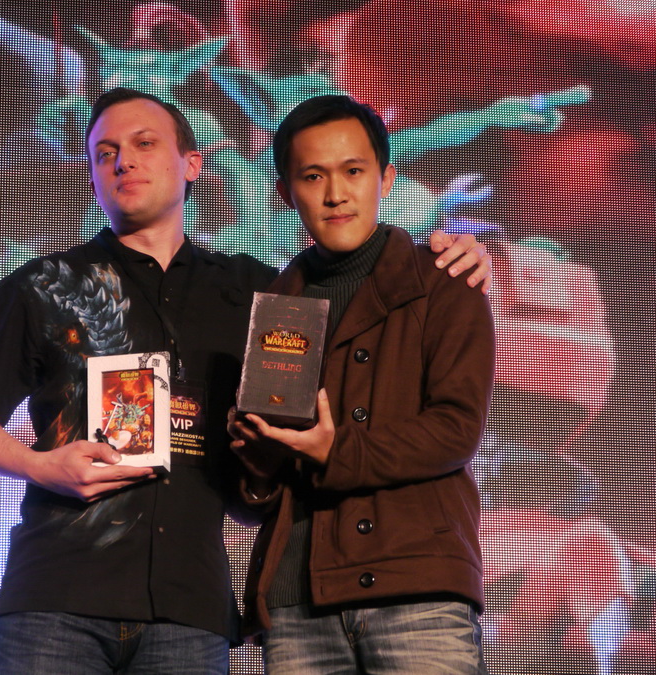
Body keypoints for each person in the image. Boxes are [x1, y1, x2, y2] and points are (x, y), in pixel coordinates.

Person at [0, 87, 492, 674]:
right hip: (56, 598)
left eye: (145, 144)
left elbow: (355, 284)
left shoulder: (263, 295)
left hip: (189, 611)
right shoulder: (45, 284)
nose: (124, 162)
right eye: (105, 153)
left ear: (191, 164)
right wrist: (40, 465)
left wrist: (452, 253)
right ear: (92, 176)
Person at [230, 94, 496, 674]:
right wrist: (256, 452)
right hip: (296, 602)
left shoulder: (445, 279)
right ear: (285, 193)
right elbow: (260, 490)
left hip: (415, 590)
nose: (336, 193)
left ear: (386, 178)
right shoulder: (275, 307)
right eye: (313, 176)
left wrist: (337, 451)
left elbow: (456, 429)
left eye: (353, 171)